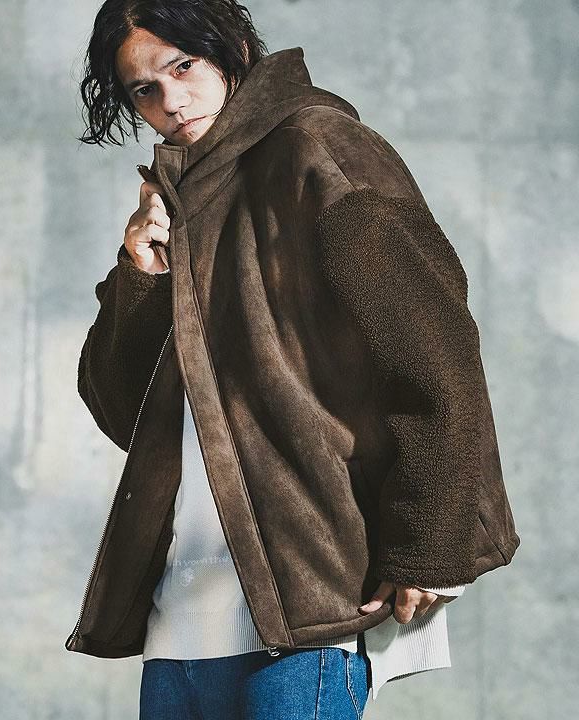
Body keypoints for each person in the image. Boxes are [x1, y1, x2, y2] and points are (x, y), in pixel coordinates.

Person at [66, 1, 520, 718]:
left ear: (234, 50)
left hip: (309, 622)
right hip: (177, 626)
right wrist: (142, 277)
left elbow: (436, 349)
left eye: (184, 67)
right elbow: (125, 416)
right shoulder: (181, 197)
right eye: (144, 89)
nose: (170, 101)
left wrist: (431, 543)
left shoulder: (319, 148)